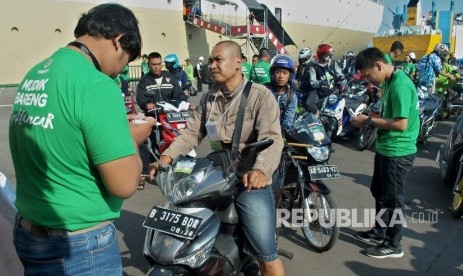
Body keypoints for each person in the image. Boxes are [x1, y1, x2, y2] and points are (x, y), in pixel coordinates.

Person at [8, 3, 156, 275]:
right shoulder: (96, 85)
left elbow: (64, 133)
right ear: (119, 41)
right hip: (79, 243)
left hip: (30, 231)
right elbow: (124, 185)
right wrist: (131, 138)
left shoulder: (37, 73)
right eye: (126, 60)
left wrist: (111, 129)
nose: (119, 72)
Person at [149, 40, 285, 276]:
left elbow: (273, 138)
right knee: (185, 224)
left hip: (249, 178)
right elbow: (191, 133)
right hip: (217, 174)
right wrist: (165, 159)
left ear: (238, 63)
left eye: (217, 60)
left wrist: (261, 171)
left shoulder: (261, 96)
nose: (212, 65)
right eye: (210, 60)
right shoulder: (209, 97)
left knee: (266, 251)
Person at [350, 47, 419, 259]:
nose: (370, 80)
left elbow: (400, 124)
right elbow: (390, 115)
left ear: (378, 65)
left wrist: (368, 120)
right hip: (385, 148)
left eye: (369, 75)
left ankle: (393, 243)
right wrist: (369, 118)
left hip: (398, 151)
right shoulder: (389, 81)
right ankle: (379, 231)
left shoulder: (400, 85)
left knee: (393, 200)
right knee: (379, 193)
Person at [300, 43, 343, 114]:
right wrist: (321, 83)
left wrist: (341, 77)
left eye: (330, 54)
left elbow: (339, 73)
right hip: (319, 90)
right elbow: (313, 83)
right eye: (328, 55)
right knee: (309, 103)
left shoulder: (333, 63)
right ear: (322, 56)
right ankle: (317, 114)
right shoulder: (314, 67)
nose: (330, 56)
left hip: (333, 89)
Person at [267, 54, 299, 131]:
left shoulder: (291, 96)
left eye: (285, 73)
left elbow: (288, 121)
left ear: (290, 76)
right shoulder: (264, 91)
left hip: (280, 132)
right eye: (277, 72)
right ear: (273, 74)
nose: (281, 76)